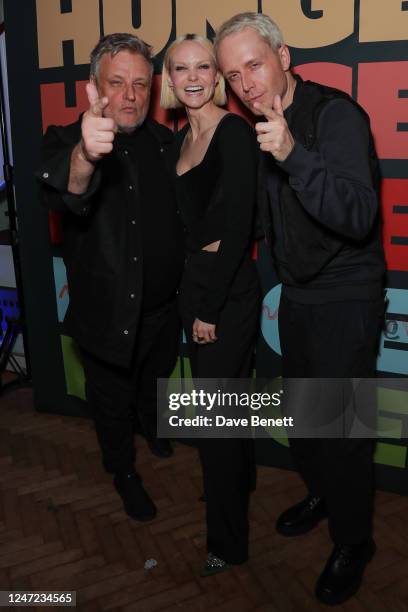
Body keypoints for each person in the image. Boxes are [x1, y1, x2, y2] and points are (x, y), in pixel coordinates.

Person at [215, 12, 385, 606]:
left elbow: (357, 215)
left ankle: (355, 540)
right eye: (234, 75)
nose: (247, 83)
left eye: (255, 65)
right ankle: (323, 494)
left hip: (346, 295)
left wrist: (292, 154)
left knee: (343, 430)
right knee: (308, 422)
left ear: (284, 57)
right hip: (298, 295)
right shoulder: (257, 123)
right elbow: (270, 221)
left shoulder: (335, 115)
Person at [37, 33, 184, 522]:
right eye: (117, 82)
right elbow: (67, 190)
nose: (130, 95)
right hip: (108, 315)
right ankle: (122, 471)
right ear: (93, 88)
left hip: (164, 310)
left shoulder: (166, 144)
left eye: (140, 84)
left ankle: (154, 426)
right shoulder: (65, 141)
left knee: (153, 380)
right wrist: (86, 155)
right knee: (111, 401)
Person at [160, 34, 260, 576]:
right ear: (169, 79)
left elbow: (238, 227)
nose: (193, 76)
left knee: (216, 420)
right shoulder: (180, 139)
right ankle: (234, 488)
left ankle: (227, 541)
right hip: (193, 288)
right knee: (225, 411)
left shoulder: (233, 134)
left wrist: (210, 310)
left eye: (203, 67)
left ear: (217, 76)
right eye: (181, 68)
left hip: (224, 291)